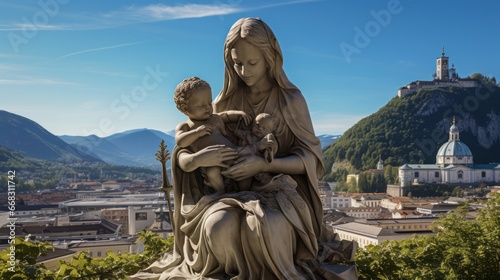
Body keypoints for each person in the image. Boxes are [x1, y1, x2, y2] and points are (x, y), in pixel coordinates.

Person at [131, 17, 357, 280]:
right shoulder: (224, 100)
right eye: (237, 63)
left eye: (252, 63)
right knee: (218, 226)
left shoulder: (290, 100)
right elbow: (189, 145)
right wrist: (199, 159)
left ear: (270, 57)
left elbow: (310, 159)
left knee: (264, 226)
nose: (244, 71)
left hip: (277, 190)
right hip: (226, 191)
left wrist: (264, 164)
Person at [173, 76, 252, 194]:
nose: (208, 108)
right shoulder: (186, 126)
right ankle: (220, 191)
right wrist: (196, 133)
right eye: (201, 106)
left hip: (232, 153)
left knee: (246, 167)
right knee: (212, 173)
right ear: (185, 109)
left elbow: (226, 115)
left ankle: (245, 192)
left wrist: (238, 114)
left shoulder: (213, 118)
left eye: (209, 103)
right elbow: (180, 141)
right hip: (212, 162)